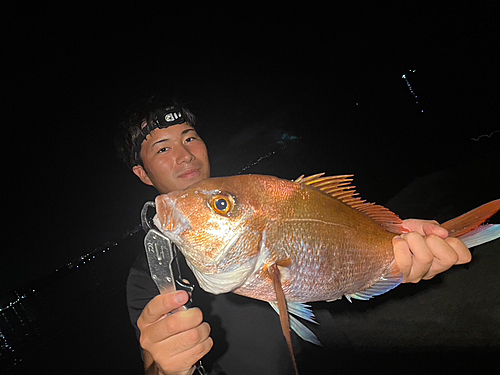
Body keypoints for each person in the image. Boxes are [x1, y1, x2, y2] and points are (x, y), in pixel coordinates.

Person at [117, 100, 472, 375]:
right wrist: (164, 368)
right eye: (162, 149)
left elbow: (337, 247)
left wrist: (397, 243)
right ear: (142, 173)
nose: (185, 155)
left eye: (190, 137)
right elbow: (152, 361)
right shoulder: (147, 275)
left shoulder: (270, 193)